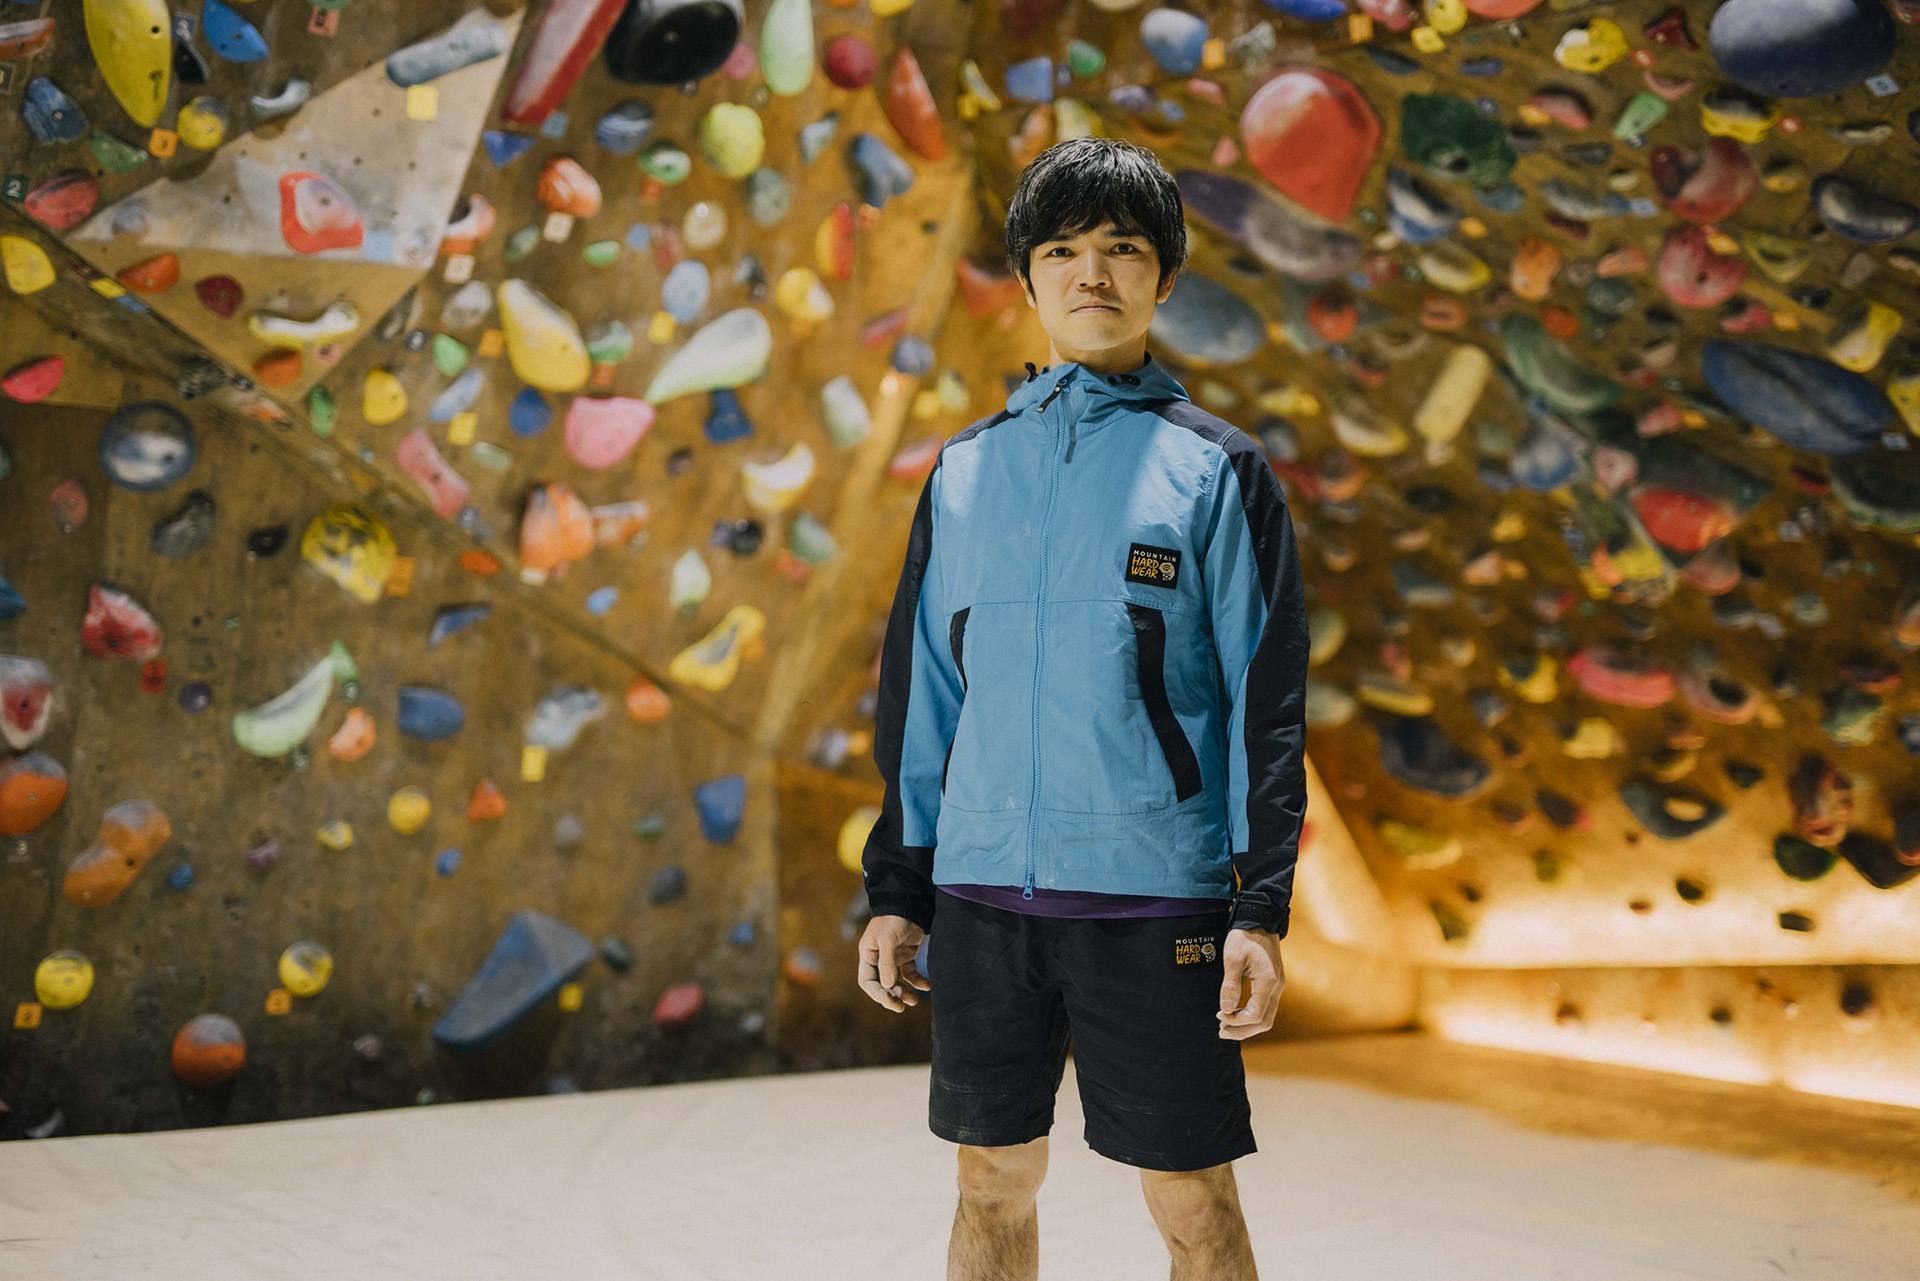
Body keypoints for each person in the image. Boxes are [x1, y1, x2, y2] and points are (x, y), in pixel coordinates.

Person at [857, 136, 1309, 1281]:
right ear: (1027, 283)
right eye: (1061, 251)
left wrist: (1259, 906)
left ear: (1164, 278)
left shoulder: (1215, 472)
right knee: (987, 1178)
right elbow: (923, 699)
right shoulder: (963, 473)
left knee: (1193, 1201)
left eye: (1121, 249)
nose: (1090, 275)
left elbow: (1267, 697)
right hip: (981, 898)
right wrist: (899, 889)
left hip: (1154, 897)